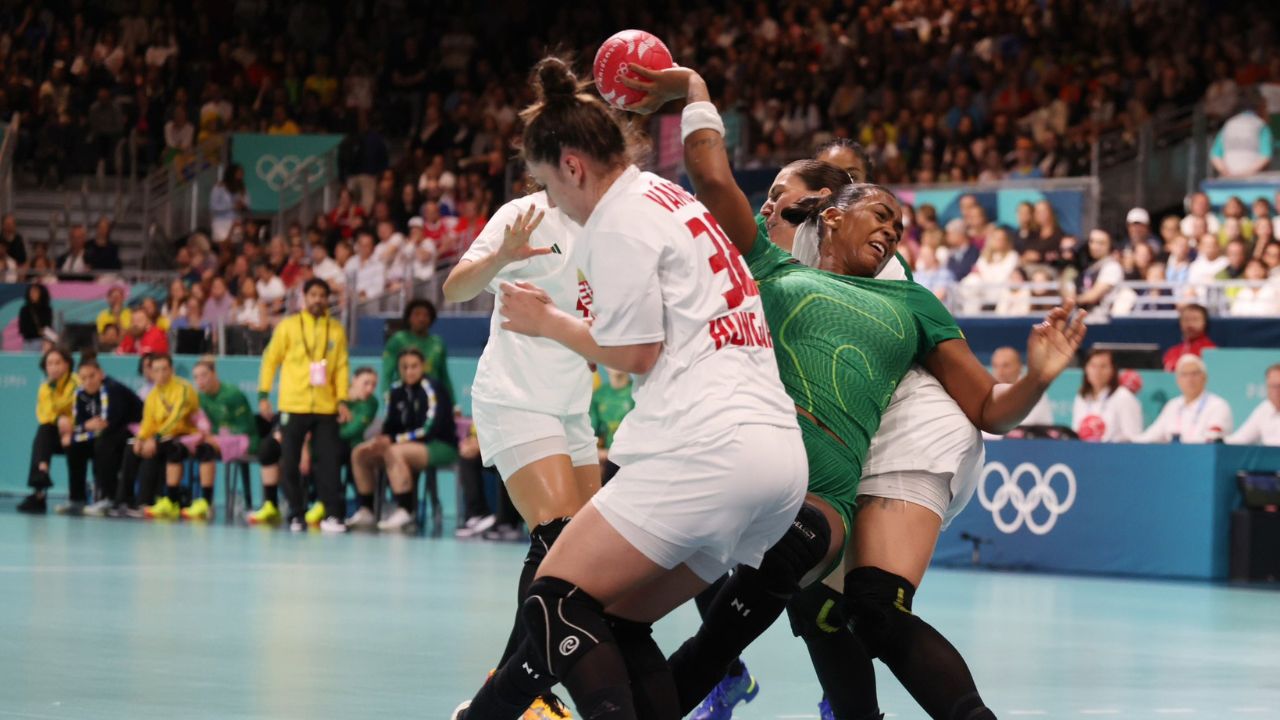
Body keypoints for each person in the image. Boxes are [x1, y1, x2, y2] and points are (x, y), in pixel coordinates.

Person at [627, 66, 1079, 720]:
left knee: (866, 608)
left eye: (898, 223)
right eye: (881, 215)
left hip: (907, 440)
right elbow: (717, 186)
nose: (893, 230)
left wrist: (1037, 376)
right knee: (824, 610)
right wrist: (692, 97)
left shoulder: (901, 293)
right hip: (815, 467)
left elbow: (987, 406)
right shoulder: (783, 261)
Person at [453, 57, 809, 720]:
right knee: (610, 620)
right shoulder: (672, 198)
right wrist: (697, 92)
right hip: (776, 458)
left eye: (547, 186)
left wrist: (549, 320)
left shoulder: (616, 220)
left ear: (573, 166)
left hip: (706, 447)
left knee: (555, 594)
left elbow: (634, 355)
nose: (552, 202)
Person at [442, 89, 605, 715]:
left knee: (585, 554)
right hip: (516, 396)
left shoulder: (612, 228)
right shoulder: (526, 215)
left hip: (571, 402)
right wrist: (500, 258)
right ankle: (510, 696)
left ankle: (513, 691)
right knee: (561, 538)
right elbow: (457, 286)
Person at [257, 278, 352, 533]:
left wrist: (342, 399)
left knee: (329, 462)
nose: (318, 299)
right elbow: (270, 359)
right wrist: (263, 394)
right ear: (304, 298)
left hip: (325, 407)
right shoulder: (288, 326)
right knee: (289, 461)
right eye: (313, 295)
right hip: (293, 404)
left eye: (323, 295)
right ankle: (296, 514)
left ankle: (332, 515)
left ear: (327, 300)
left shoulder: (336, 330)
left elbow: (342, 367)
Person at [345, 348, 457, 532]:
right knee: (360, 452)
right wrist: (380, 440)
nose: (409, 371)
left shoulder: (432, 388)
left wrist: (393, 439)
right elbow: (390, 426)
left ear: (423, 367)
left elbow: (429, 429)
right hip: (402, 444)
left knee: (394, 451)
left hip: (438, 445)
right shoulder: (395, 391)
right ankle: (367, 510)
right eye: (404, 367)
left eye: (414, 366)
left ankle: (405, 511)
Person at [67, 356, 144, 516]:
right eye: (83, 378)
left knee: (103, 444)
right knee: (74, 446)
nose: (88, 381)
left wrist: (85, 429)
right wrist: (83, 428)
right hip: (109, 432)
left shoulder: (111, 389)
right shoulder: (79, 393)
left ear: (101, 374)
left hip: (134, 430)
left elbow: (107, 424)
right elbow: (78, 424)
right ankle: (77, 499)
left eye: (92, 376)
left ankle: (110, 498)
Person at [188, 358, 261, 521]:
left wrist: (219, 436)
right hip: (217, 441)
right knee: (202, 447)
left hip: (245, 440)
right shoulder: (201, 398)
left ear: (214, 374)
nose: (200, 381)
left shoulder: (233, 394)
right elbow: (204, 425)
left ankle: (206, 502)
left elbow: (246, 427)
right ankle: (206, 503)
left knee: (208, 446)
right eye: (196, 377)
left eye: (204, 375)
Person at [137, 354, 203, 520]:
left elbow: (177, 418)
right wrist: (141, 438)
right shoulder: (153, 395)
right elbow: (147, 422)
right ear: (151, 373)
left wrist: (156, 437)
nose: (161, 374)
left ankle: (169, 500)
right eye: (156, 370)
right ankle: (130, 501)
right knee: (132, 448)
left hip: (186, 435)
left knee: (164, 448)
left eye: (164, 369)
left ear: (172, 370)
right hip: (162, 437)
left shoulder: (183, 388)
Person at [17, 348, 79, 514]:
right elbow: (44, 414)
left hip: (78, 433)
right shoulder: (45, 388)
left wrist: (69, 425)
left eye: (58, 362)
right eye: (49, 364)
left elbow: (78, 410)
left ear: (67, 364)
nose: (53, 367)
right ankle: (41, 481)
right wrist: (59, 419)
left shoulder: (77, 383)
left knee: (46, 435)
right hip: (56, 434)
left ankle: (44, 489)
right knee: (43, 431)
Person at [1137, 354, 1234, 443]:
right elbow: (1151, 436)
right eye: (1184, 375)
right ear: (1178, 380)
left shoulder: (1218, 406)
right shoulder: (1172, 405)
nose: (1190, 379)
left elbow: (1212, 439)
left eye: (1194, 374)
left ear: (1205, 377)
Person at [381, 299, 454, 398]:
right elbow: (387, 374)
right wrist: (387, 396)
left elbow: (444, 376)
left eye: (426, 315)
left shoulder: (438, 343)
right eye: (417, 314)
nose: (421, 318)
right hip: (406, 396)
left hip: (433, 396)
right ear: (408, 318)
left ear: (431, 319)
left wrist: (453, 402)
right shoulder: (397, 340)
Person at [1072, 348, 1144, 442]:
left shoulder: (1124, 397)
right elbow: (1076, 431)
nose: (1097, 371)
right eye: (1093, 366)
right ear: (1086, 369)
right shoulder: (1082, 397)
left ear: (1113, 370)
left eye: (1103, 366)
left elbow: (1134, 438)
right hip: (1085, 452)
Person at [987, 347, 1055, 433]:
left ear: (1019, 367)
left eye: (1006, 366)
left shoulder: (1033, 391)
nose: (1000, 372)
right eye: (995, 366)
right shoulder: (989, 393)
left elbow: (1021, 428)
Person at [1211, 91, 1274, 178]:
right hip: (1253, 180)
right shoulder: (1261, 125)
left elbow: (1215, 155)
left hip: (1228, 179)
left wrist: (1226, 172)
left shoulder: (1228, 124)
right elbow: (1266, 155)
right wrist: (1245, 173)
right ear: (1260, 108)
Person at [590, 367, 634, 482]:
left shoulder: (638, 393)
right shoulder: (599, 395)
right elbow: (590, 437)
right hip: (609, 459)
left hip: (633, 458)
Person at [1226, 364, 1280, 446]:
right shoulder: (1265, 407)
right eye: (1272, 386)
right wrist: (1218, 441)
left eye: (1279, 386)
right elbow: (1240, 439)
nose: (1276, 391)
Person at [1162, 303, 1217, 371]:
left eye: (1195, 319)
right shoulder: (1171, 352)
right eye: (1186, 319)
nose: (1190, 324)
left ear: (1204, 323)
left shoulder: (1212, 352)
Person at [211, 164, 250, 242]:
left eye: (241, 174)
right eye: (238, 174)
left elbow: (247, 203)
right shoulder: (219, 187)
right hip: (221, 223)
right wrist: (231, 206)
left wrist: (242, 205)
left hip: (237, 223)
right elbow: (214, 206)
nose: (240, 176)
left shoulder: (242, 188)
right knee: (223, 246)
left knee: (236, 246)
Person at [19, 283, 54, 352]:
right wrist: (38, 332)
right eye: (31, 292)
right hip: (29, 342)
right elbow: (22, 328)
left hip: (44, 342)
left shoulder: (47, 309)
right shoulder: (25, 309)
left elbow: (48, 326)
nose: (33, 294)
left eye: (36, 292)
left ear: (41, 293)